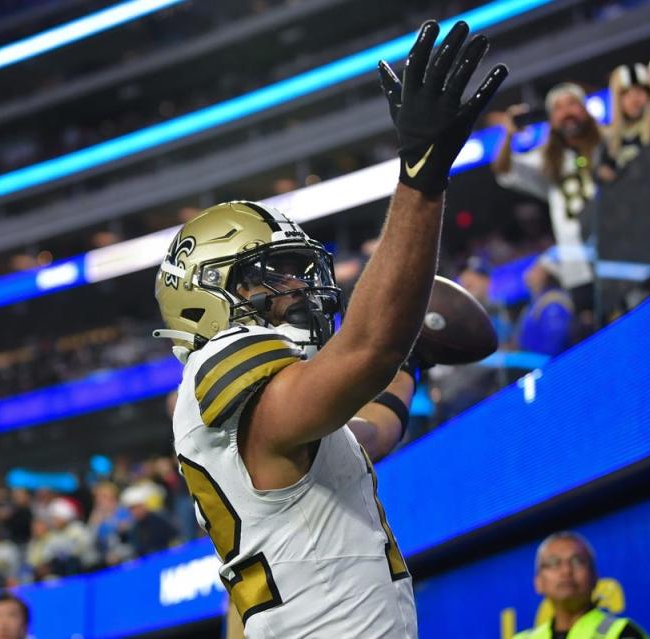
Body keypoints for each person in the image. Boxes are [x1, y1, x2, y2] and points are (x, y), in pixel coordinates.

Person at [153, 19, 506, 638]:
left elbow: (367, 433)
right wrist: (421, 178)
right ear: (205, 295)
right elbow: (365, 349)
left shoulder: (281, 423)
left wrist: (407, 363)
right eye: (271, 275)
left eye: (296, 271)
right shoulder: (223, 371)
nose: (296, 288)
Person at [490, 83, 602, 312]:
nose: (567, 112)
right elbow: (503, 170)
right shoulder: (548, 159)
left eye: (572, 104)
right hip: (578, 266)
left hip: (622, 251)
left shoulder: (607, 142)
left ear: (585, 109)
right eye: (559, 108)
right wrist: (509, 134)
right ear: (551, 118)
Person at [515, 531, 648, 639]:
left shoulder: (622, 633)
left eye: (577, 561)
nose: (566, 571)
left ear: (595, 577)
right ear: (538, 582)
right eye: (554, 563)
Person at [515, 252, 575, 357]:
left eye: (535, 270)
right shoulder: (538, 301)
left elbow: (553, 345)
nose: (528, 274)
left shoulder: (554, 304)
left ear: (546, 274)